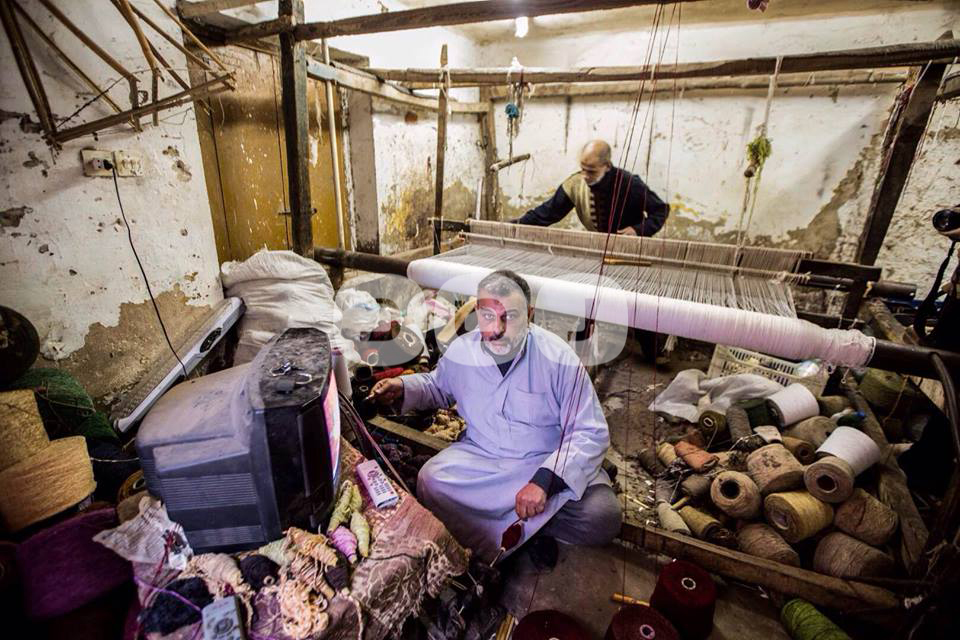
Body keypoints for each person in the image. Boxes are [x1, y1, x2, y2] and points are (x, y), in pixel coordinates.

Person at [368, 270, 621, 564]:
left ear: (529, 314)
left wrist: (544, 482)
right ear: (478, 312)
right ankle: (528, 533)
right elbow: (438, 386)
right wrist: (403, 386)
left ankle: (510, 531)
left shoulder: (559, 358)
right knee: (431, 480)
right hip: (482, 459)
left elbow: (589, 432)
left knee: (602, 516)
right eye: (488, 316)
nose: (497, 329)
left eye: (509, 317)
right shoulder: (463, 351)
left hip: (542, 462)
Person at [516, 140, 669, 236]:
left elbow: (660, 210)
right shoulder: (575, 184)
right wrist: (513, 226)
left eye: (591, 171)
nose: (585, 176)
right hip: (597, 248)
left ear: (607, 166)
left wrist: (637, 230)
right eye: (582, 169)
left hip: (629, 250)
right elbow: (546, 213)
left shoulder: (629, 183)